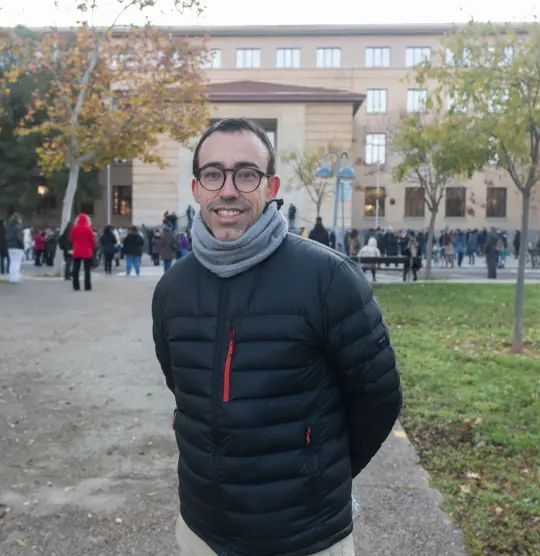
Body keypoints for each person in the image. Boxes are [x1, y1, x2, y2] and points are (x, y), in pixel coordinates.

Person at [152, 118, 402, 556]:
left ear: (271, 187)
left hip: (305, 538)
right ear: (197, 189)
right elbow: (183, 387)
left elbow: (378, 399)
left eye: (246, 174)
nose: (228, 190)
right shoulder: (173, 288)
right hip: (202, 533)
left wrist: (318, 475)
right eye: (213, 174)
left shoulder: (329, 278)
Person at [69, 213, 95, 291]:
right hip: (87, 251)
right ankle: (87, 286)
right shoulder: (88, 229)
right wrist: (93, 248)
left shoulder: (74, 228)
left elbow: (71, 239)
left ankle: (76, 286)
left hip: (77, 250)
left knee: (76, 269)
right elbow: (92, 240)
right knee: (87, 270)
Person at [6, 214, 25, 284]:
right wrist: (22, 246)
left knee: (12, 262)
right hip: (17, 247)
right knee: (17, 263)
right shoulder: (18, 227)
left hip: (10, 246)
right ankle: (15, 278)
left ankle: (11, 277)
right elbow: (19, 238)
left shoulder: (8, 227)